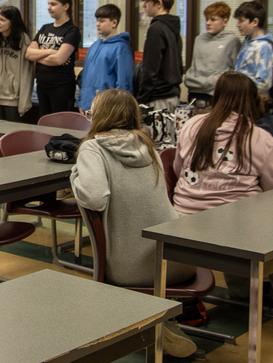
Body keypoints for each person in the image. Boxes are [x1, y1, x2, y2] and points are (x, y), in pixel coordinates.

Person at [70, 88, 198, 358]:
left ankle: (151, 326)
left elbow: (94, 198)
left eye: (92, 112)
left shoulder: (93, 147)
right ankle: (159, 323)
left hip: (132, 268)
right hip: (178, 260)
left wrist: (74, 174)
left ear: (101, 116)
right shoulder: (148, 146)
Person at [173, 72, 273, 308]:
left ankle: (242, 290)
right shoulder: (260, 138)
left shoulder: (191, 125)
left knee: (241, 220)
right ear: (251, 100)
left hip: (183, 220)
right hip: (235, 229)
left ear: (217, 96)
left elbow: (177, 168)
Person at [26, 0, 81, 115]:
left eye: (53, 4)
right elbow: (28, 54)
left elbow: (58, 60)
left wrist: (38, 54)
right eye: (48, 3)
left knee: (59, 126)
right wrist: (51, 52)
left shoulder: (72, 30)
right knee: (44, 123)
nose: (49, 7)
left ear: (66, 6)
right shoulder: (45, 28)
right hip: (42, 85)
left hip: (61, 86)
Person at [0, 5, 34, 121]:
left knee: (11, 136)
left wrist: (23, 103)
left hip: (13, 100)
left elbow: (26, 73)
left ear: (12, 22)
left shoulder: (23, 39)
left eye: (2, 20)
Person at [134, 0, 182, 112]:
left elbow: (150, 69)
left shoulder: (156, 29)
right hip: (172, 96)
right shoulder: (173, 27)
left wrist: (141, 101)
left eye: (147, 1)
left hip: (158, 100)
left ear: (159, 3)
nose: (144, 5)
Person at [76, 4, 132, 115]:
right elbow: (84, 79)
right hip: (87, 107)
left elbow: (123, 84)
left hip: (108, 109)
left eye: (102, 21)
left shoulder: (121, 48)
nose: (97, 24)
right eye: (97, 21)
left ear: (114, 23)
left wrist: (117, 110)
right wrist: (81, 103)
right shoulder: (93, 46)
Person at [185, 2, 240, 103]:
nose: (208, 23)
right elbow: (191, 72)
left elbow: (233, 73)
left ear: (225, 21)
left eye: (213, 19)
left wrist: (214, 82)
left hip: (216, 98)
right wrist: (210, 82)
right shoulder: (199, 40)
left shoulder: (232, 41)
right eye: (207, 19)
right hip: (194, 97)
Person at [233, 1, 273, 94]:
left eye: (241, 20)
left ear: (255, 22)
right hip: (240, 98)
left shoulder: (264, 47)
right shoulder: (247, 42)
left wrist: (237, 87)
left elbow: (264, 83)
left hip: (253, 102)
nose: (237, 25)